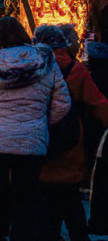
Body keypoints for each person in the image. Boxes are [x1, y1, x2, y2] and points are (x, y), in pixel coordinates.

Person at [0, 16, 71, 241]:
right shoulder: (45, 62)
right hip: (33, 143)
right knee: (27, 201)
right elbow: (63, 103)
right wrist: (42, 124)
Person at [33, 25, 108, 241]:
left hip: (38, 145)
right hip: (70, 147)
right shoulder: (75, 70)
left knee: (45, 211)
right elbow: (98, 104)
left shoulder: (31, 68)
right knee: (72, 206)